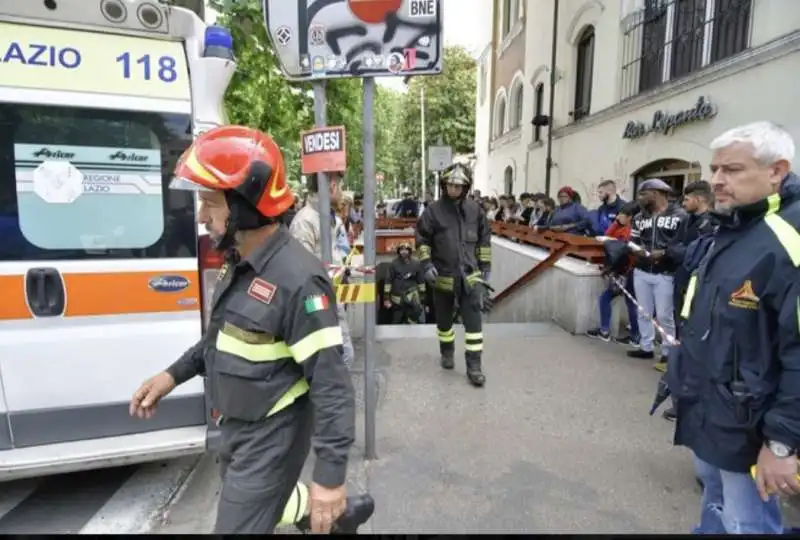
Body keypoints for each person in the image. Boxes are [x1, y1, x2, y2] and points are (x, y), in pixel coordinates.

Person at [128, 126, 373, 534]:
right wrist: (171, 375)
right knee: (260, 501)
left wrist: (330, 478)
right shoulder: (238, 261)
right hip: (235, 427)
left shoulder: (299, 280)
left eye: (210, 203)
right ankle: (336, 518)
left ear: (245, 204)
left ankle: (330, 507)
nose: (202, 215)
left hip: (272, 435)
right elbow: (220, 340)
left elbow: (332, 386)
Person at [665, 122, 800, 534]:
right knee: (716, 508)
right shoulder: (733, 226)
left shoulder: (789, 238)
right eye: (714, 169)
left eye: (732, 170)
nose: (717, 181)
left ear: (777, 170)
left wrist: (781, 443)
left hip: (753, 428)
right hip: (711, 413)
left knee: (748, 524)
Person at [415, 163, 492, 386]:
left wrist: (485, 266)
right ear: (444, 185)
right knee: (444, 322)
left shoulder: (476, 211)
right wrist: (427, 265)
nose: (453, 190)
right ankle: (447, 352)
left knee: (474, 324)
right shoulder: (433, 211)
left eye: (458, 186)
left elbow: (484, 239)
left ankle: (474, 367)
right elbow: (422, 239)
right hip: (442, 276)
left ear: (466, 188)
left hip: (470, 277)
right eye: (450, 185)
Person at [289, 171, 355, 368]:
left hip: (331, 300)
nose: (342, 193)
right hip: (319, 305)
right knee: (338, 360)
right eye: (341, 187)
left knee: (342, 359)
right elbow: (301, 273)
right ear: (332, 186)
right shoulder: (305, 221)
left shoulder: (326, 217)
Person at [626, 179, 687, 366]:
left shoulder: (680, 216)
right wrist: (636, 250)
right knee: (643, 312)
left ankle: (668, 352)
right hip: (642, 270)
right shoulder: (639, 218)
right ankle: (646, 347)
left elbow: (683, 245)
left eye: (643, 194)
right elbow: (633, 240)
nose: (640, 198)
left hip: (666, 272)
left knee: (664, 315)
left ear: (656, 193)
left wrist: (664, 253)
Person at [586, 202, 641, 345]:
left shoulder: (629, 231)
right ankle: (635, 335)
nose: (618, 216)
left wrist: (611, 237)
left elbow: (619, 246)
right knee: (630, 303)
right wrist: (616, 223)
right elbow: (607, 235)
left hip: (625, 270)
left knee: (612, 299)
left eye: (621, 215)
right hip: (623, 270)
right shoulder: (620, 227)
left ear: (630, 217)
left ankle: (607, 331)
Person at [383, 242, 426, 324]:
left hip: (412, 298)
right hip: (397, 300)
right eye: (401, 249)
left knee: (415, 317)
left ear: (410, 251)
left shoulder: (416, 264)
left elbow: (421, 283)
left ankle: (410, 325)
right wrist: (386, 299)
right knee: (396, 321)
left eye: (406, 249)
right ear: (398, 251)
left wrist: (423, 301)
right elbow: (388, 282)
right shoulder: (393, 264)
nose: (404, 251)